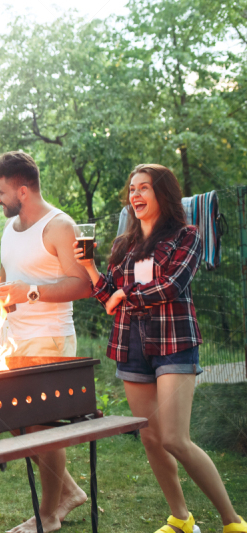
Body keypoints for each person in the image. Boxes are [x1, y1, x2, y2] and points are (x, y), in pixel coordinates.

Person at [76, 164, 246, 533]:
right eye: (131, 189)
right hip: (130, 343)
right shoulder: (124, 244)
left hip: (173, 341)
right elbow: (108, 297)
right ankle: (181, 519)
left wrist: (123, 295)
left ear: (163, 194)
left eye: (144, 188)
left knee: (174, 438)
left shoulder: (188, 236)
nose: (135, 196)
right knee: (151, 437)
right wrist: (90, 268)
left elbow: (171, 286)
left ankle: (233, 522)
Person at [0, 151, 92, 533]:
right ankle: (70, 492)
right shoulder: (9, 227)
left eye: (1, 191)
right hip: (13, 341)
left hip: (49, 340)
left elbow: (82, 284)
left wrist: (27, 293)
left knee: (42, 429)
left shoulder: (60, 226)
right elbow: (6, 278)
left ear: (24, 190)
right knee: (18, 425)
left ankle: (48, 515)